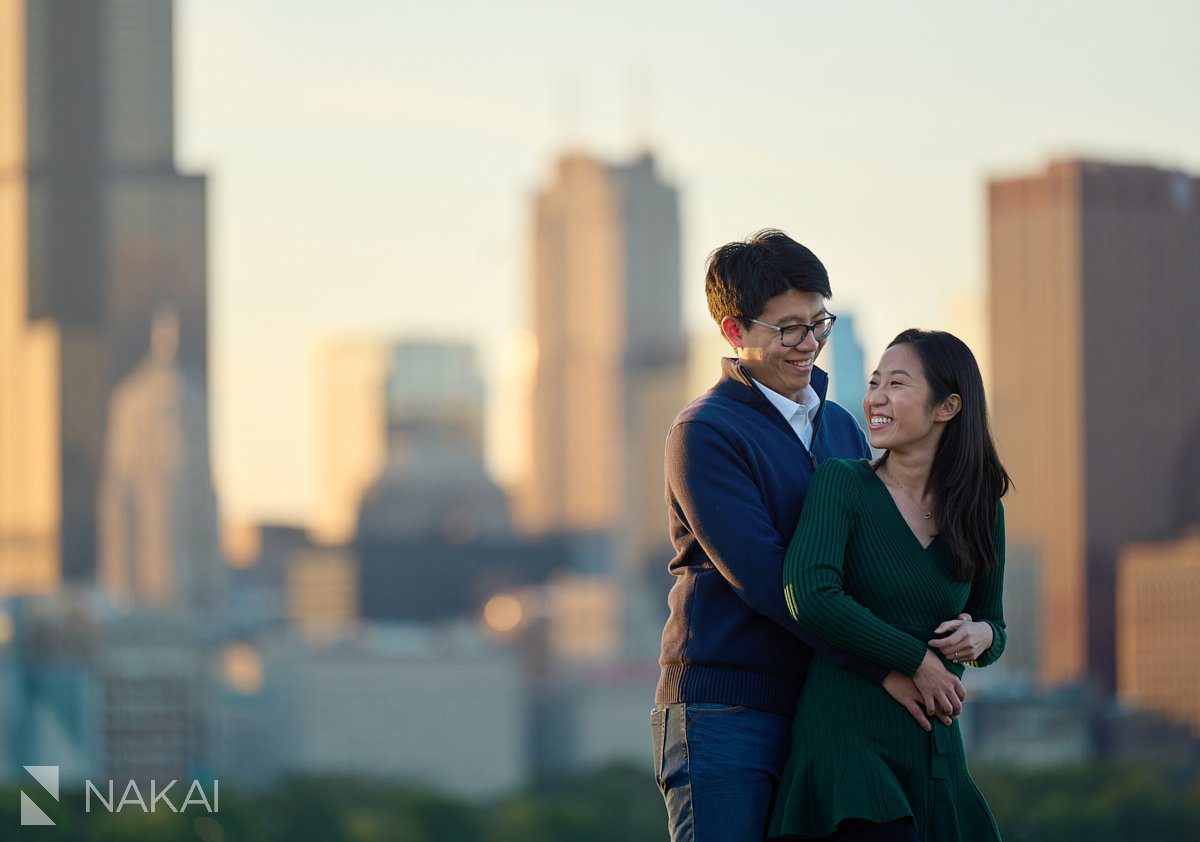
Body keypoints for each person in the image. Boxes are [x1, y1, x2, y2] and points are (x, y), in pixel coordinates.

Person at [652, 233, 966, 842]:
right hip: (724, 710)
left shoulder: (844, 427)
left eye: (819, 321)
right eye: (788, 328)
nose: (810, 344)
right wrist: (892, 665)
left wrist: (977, 627)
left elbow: (877, 560)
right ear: (733, 331)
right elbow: (774, 582)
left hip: (824, 705)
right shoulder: (705, 433)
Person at [767, 329, 1011, 842]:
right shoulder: (843, 482)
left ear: (947, 407)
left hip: (932, 744)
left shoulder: (983, 512)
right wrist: (916, 660)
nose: (875, 397)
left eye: (896, 384)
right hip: (845, 736)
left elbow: (995, 624)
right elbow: (809, 596)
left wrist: (982, 637)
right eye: (875, 382)